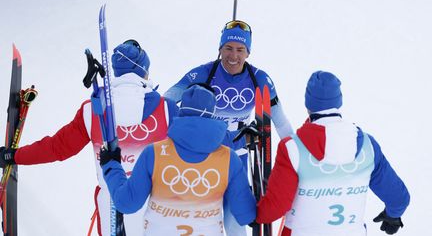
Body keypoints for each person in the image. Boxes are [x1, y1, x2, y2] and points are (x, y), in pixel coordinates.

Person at [0, 40, 180, 236]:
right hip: (158, 206)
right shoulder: (167, 109)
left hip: (111, 203)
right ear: (145, 72)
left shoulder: (92, 110)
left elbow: (57, 148)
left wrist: (15, 156)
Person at [163, 20, 294, 235]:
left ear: (248, 52)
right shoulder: (203, 73)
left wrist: (297, 154)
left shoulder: (260, 78)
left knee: (234, 221)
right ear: (220, 48)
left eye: (240, 50)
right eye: (228, 48)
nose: (233, 56)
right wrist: (186, 128)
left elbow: (280, 121)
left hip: (239, 156)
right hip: (205, 156)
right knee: (201, 219)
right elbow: (167, 102)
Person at [255, 71, 410, 236]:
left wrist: (254, 214)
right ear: (338, 101)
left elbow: (276, 207)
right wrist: (393, 215)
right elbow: (398, 197)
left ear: (308, 103)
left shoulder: (292, 148)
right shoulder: (368, 145)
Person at [99, 84, 257, 235]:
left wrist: (111, 166)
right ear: (212, 114)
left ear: (181, 111)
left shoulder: (153, 153)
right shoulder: (230, 159)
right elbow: (245, 215)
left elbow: (127, 203)